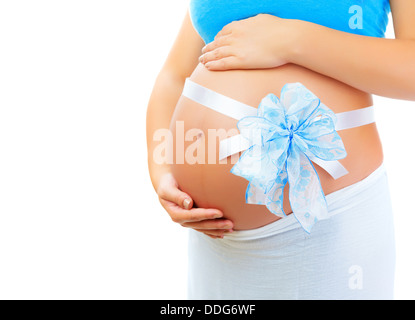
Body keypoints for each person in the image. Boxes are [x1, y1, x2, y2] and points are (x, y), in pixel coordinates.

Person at [146, 0, 415, 299]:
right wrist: (161, 170)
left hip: (329, 217)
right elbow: (174, 75)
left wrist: (292, 39)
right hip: (215, 238)